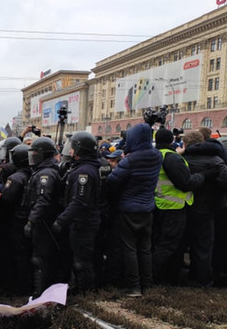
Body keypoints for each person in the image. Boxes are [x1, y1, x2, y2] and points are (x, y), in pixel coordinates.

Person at [106, 123, 162, 297]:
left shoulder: (130, 160)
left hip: (129, 209)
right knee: (145, 248)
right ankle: (147, 284)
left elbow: (112, 181)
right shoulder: (157, 155)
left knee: (129, 248)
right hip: (147, 208)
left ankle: (134, 286)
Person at [182, 131, 227, 287]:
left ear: (185, 144)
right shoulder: (215, 159)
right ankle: (203, 279)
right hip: (208, 207)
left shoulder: (182, 159)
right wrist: (214, 184)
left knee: (185, 242)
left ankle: (189, 275)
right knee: (204, 245)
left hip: (185, 206)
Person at [151, 128, 205, 285]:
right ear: (172, 141)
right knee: (168, 246)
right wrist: (201, 176)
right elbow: (185, 183)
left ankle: (165, 276)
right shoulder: (171, 157)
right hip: (174, 207)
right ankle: (151, 277)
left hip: (161, 204)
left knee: (162, 244)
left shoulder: (157, 154)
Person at [53, 131, 101, 294]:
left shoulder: (84, 172)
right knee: (78, 257)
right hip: (79, 221)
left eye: (72, 148)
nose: (70, 151)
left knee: (82, 260)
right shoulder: (82, 168)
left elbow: (80, 201)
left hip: (84, 222)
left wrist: (61, 220)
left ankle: (85, 291)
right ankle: (80, 286)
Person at [24, 137, 64, 298]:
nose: (32, 157)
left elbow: (43, 200)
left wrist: (31, 221)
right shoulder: (42, 171)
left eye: (35, 153)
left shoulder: (45, 174)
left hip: (44, 223)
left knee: (40, 259)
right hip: (44, 222)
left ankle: (40, 292)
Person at [0, 144, 33, 295]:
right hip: (27, 220)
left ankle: (17, 287)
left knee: (16, 255)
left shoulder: (15, 178)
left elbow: (5, 199)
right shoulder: (33, 174)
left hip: (15, 220)